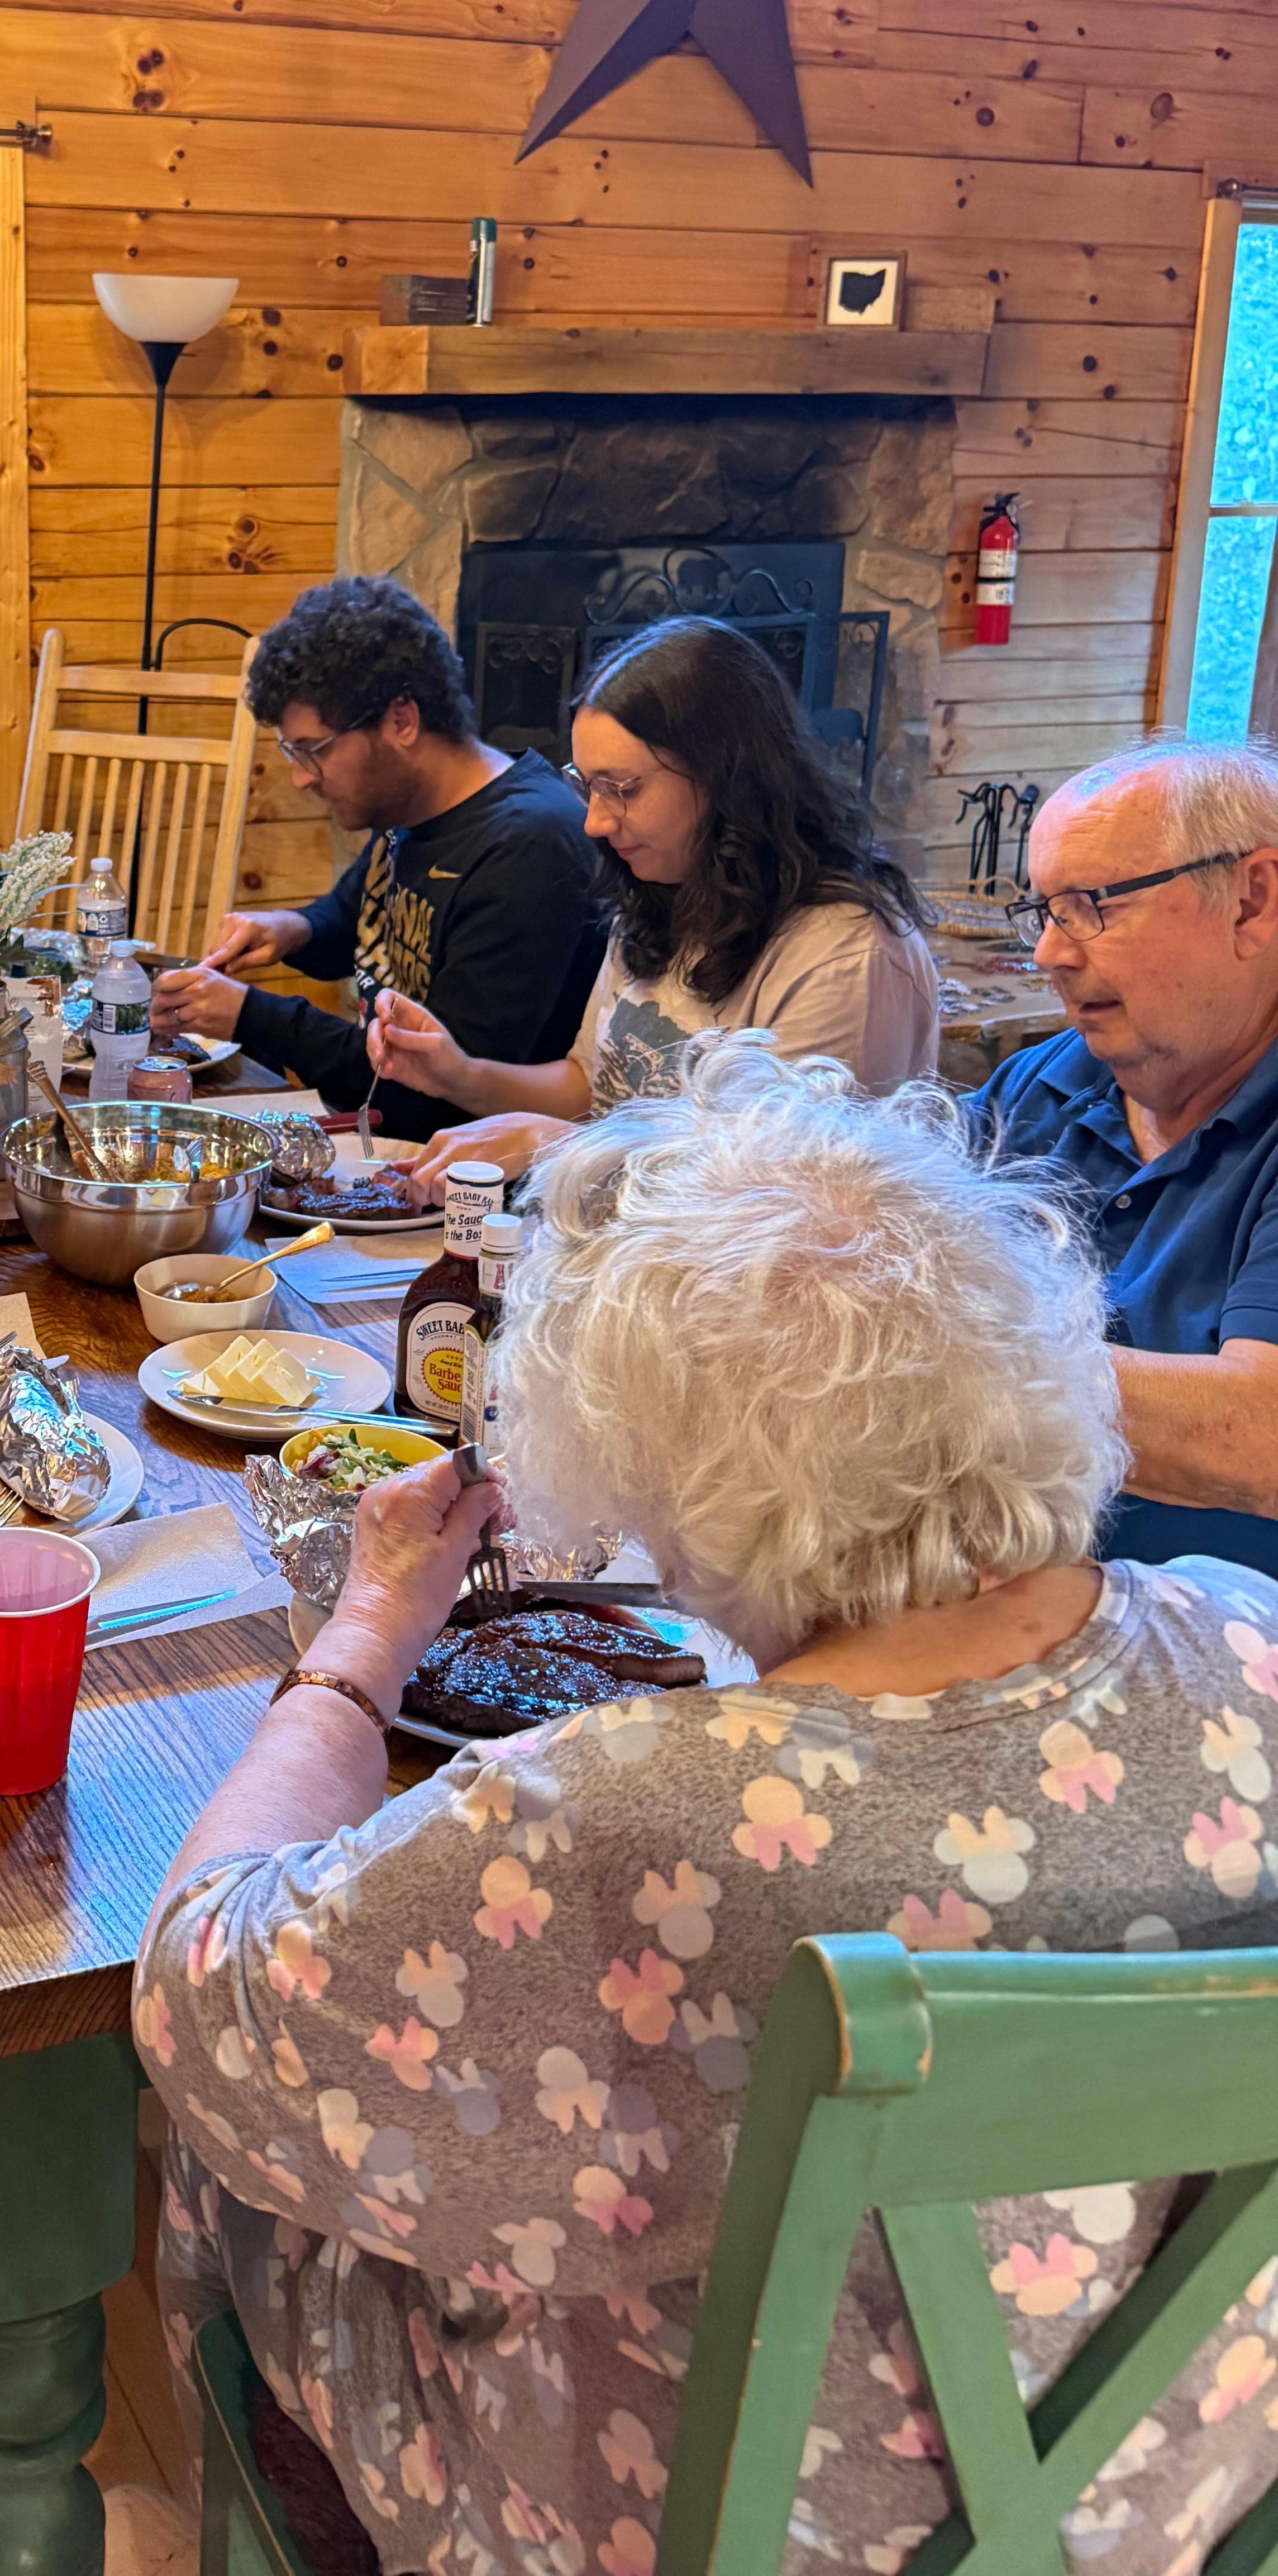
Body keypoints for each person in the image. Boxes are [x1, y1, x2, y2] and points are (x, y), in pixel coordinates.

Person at [129, 1040, 1278, 2576]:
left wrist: (365, 1631)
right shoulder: (1246, 1634)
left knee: (240, 2150)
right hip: (1162, 2498)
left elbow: (199, 1988)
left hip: (695, 2523)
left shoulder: (615, 1816)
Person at [385, 613, 937, 1191]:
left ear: (726, 777)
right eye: (588, 786)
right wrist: (461, 1076)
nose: (595, 822)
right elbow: (591, 1085)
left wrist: (558, 1145)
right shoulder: (659, 882)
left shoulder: (847, 955)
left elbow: (791, 1197)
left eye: (622, 789)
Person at [967, 738, 1278, 1576]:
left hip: (1227, 1661)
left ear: (1252, 901)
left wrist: (942, 1366)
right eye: (1044, 912)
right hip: (1003, 1601)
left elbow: (1260, 1437)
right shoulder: (1047, 1081)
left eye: (1093, 905)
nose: (1050, 954)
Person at [147, 577, 598, 1142]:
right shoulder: (410, 804)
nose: (301, 777)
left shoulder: (530, 850)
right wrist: (292, 930)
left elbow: (428, 1092)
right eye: (292, 752)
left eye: (314, 751)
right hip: (377, 1137)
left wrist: (251, 1017)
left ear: (401, 722)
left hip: (461, 1178)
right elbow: (358, 919)